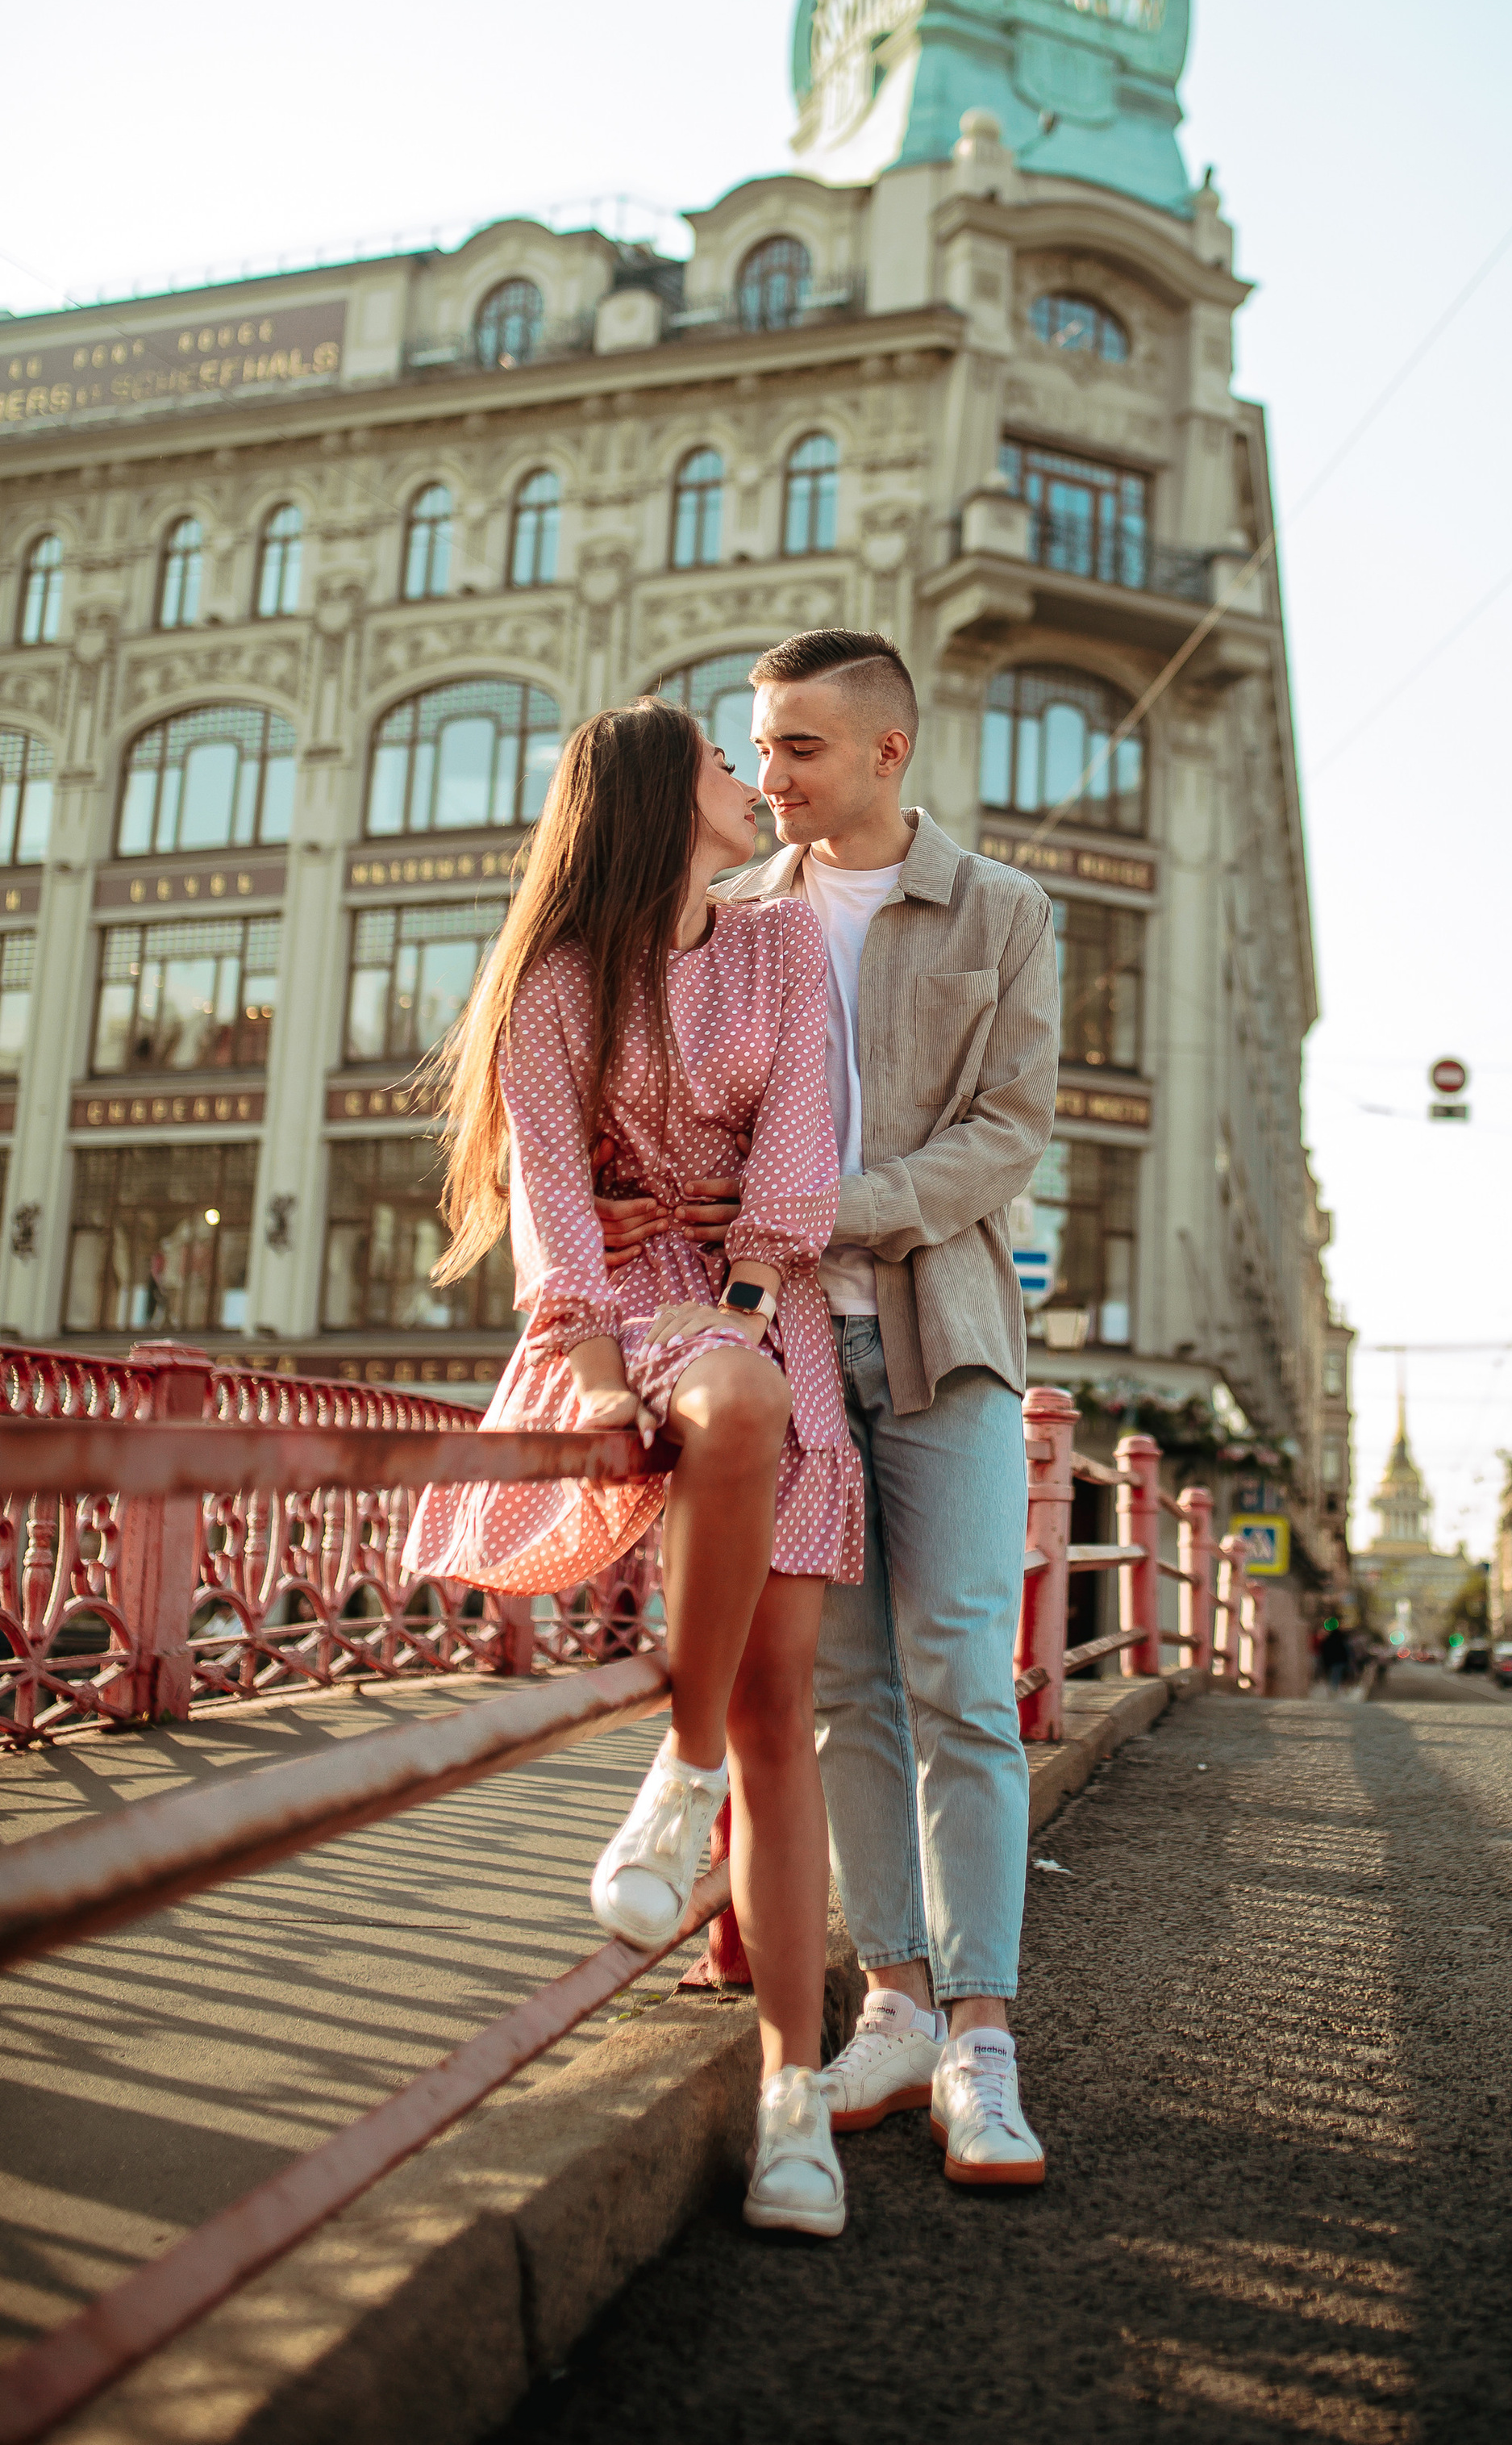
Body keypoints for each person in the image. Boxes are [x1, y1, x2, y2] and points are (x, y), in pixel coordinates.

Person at [597, 628, 1060, 2191]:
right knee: (846, 1691)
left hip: (943, 1341)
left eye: (795, 747)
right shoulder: (735, 920)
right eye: (756, 745)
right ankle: (898, 2002)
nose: (766, 774)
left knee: (961, 1679)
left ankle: (986, 2039)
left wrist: (819, 1205)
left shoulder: (1001, 910)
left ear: (884, 753)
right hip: (774, 1347)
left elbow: (1007, 1136)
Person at [403, 696, 857, 2238]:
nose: (751, 782)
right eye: (728, 764)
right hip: (614, 1312)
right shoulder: (552, 978)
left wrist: (735, 1305)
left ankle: (796, 2100)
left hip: (752, 1292)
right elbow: (550, 1196)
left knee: (780, 1697)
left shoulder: (781, 947)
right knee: (732, 1408)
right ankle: (683, 1772)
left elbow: (801, 1154)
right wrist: (595, 1355)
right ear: (665, 799)